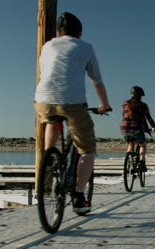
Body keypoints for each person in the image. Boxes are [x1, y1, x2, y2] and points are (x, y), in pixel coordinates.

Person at [34, 12, 111, 214]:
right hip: (73, 102)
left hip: (43, 99)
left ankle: (49, 155)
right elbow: (97, 80)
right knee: (87, 150)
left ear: (59, 32)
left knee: (52, 121)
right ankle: (78, 195)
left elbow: (44, 72)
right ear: (80, 32)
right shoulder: (85, 47)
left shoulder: (47, 45)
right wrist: (104, 104)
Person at [120, 86, 155, 172]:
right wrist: (153, 126)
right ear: (140, 96)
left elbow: (124, 115)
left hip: (123, 130)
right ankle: (141, 161)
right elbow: (148, 117)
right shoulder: (143, 105)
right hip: (136, 129)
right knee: (142, 144)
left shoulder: (124, 104)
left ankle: (128, 159)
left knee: (131, 143)